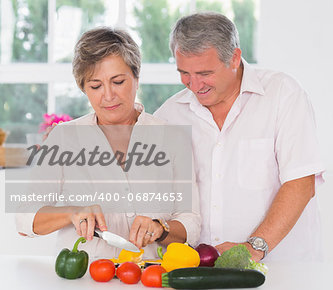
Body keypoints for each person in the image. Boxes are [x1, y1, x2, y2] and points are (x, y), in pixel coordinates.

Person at [15, 27, 201, 258]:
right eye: (95, 86)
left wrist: (160, 229)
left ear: (136, 78)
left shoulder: (172, 138)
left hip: (150, 280)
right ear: (84, 88)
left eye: (118, 81)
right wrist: (72, 213)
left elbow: (191, 221)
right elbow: (24, 217)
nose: (108, 95)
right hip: (82, 281)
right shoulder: (63, 138)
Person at [154, 12, 325, 262]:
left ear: (234, 58)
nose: (194, 84)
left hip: (283, 269)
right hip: (202, 271)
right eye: (184, 73)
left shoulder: (282, 95)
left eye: (204, 73)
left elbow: (301, 184)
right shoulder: (169, 115)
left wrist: (253, 248)